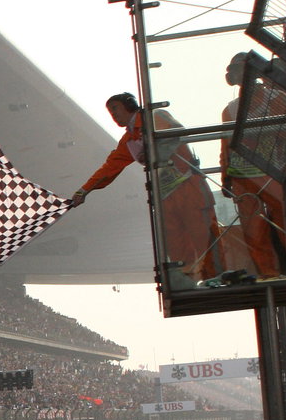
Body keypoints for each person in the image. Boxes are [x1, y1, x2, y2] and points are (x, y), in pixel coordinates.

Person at [71, 92, 221, 282]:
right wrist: (84, 190)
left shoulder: (154, 117)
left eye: (115, 109)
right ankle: (188, 280)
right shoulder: (128, 140)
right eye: (110, 112)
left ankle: (216, 276)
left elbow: (176, 133)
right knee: (175, 243)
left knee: (204, 235)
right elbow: (110, 168)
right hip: (165, 196)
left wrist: (153, 154)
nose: (113, 115)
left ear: (129, 104)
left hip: (188, 187)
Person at [220, 53, 286, 280]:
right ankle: (268, 274)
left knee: (285, 224)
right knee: (254, 230)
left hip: (271, 171)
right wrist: (226, 178)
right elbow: (226, 147)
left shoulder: (275, 98)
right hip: (245, 176)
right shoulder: (231, 109)